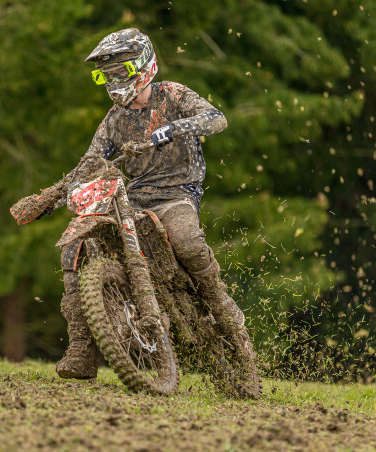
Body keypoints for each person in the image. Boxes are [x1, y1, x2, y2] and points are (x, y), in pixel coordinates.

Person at [56, 28, 245, 379]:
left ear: (143, 66)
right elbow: (90, 161)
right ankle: (82, 347)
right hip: (134, 198)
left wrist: (175, 128)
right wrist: (61, 190)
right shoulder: (114, 119)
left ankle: (219, 301)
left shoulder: (172, 94)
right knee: (78, 247)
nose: (114, 81)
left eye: (120, 72)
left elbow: (217, 119)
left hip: (176, 193)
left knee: (186, 240)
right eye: (106, 75)